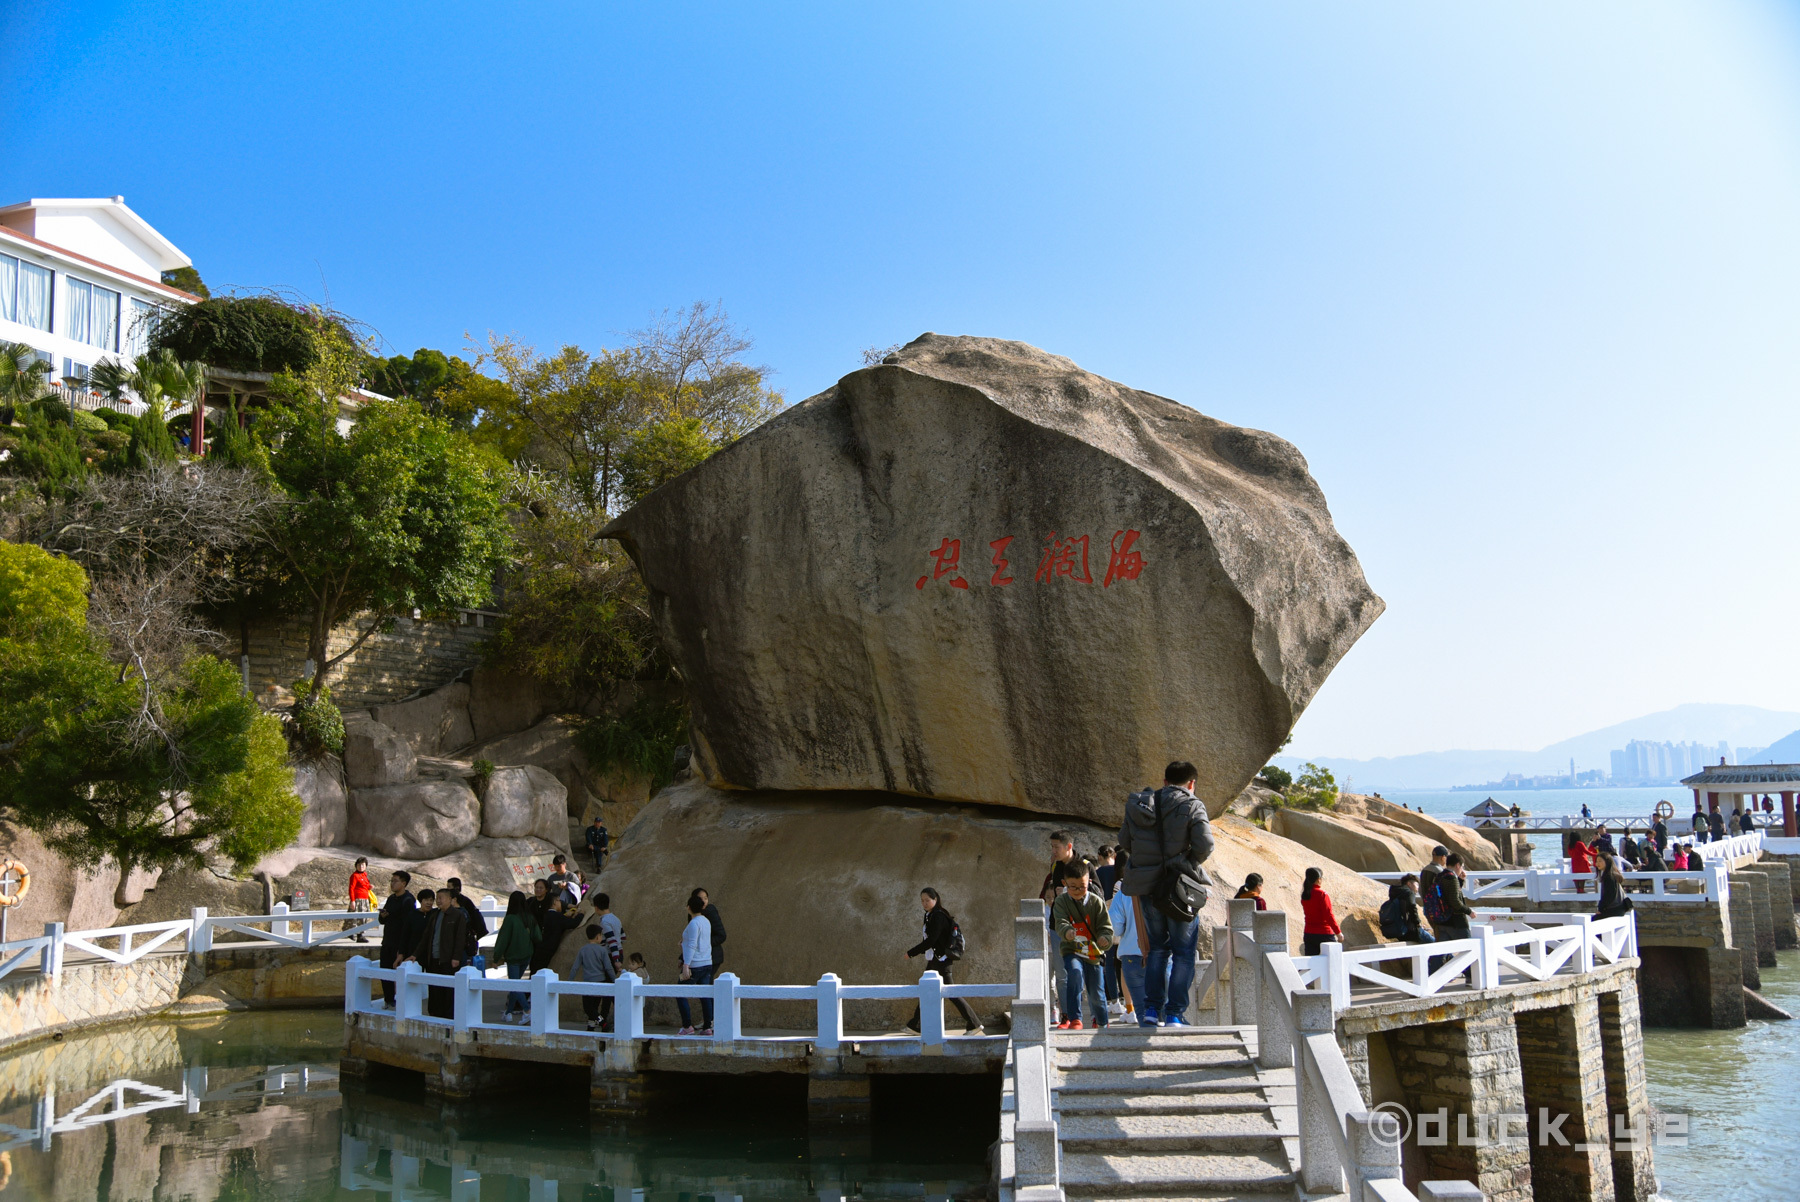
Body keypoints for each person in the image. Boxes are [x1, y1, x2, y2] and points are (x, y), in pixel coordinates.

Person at [1117, 761, 1215, 1029]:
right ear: (1191, 784)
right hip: (1179, 888)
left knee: (1157, 949)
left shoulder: (1139, 803)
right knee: (1183, 952)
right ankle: (1174, 1014)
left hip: (1148, 887)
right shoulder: (1193, 804)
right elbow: (1205, 845)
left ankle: (1150, 1011)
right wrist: (1186, 861)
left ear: (1164, 781)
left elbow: (1124, 841)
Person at [903, 887, 983, 1035]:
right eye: (922, 900)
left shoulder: (938, 916)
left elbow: (932, 940)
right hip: (934, 959)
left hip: (942, 960)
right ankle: (915, 1024)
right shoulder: (929, 915)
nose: (924, 903)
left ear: (935, 900)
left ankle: (974, 1023)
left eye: (927, 900)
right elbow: (928, 939)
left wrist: (911, 953)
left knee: (951, 992)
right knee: (926, 989)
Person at [1052, 863, 1114, 1030]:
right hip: (1072, 950)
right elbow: (1060, 922)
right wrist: (1067, 931)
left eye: (1082, 887)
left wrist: (1104, 938)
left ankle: (1101, 1021)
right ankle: (1075, 1018)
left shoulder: (1096, 902)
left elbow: (1106, 927)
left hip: (1093, 952)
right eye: (1073, 887)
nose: (1078, 891)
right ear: (1065, 884)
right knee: (1075, 974)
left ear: (1090, 883)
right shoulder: (1061, 902)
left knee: (1096, 993)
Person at [1039, 831, 1082, 1021]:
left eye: (1056, 846)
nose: (1053, 850)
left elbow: (1096, 892)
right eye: (1052, 847)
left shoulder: (1084, 866)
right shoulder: (1056, 867)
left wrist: (1068, 891)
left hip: (1081, 926)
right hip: (1058, 926)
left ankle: (1086, 1015)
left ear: (1068, 846)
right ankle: (1067, 1015)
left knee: (1082, 971)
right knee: (1062, 975)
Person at [407, 889, 470, 1018]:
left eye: (441, 898)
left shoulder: (457, 916)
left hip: (448, 960)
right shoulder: (435, 915)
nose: (438, 901)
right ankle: (435, 1014)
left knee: (448, 991)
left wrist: (456, 957)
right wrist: (415, 954)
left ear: (449, 899)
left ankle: (448, 1016)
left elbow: (460, 939)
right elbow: (426, 937)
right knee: (434, 989)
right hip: (434, 958)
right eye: (437, 898)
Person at [492, 890, 541, 1024]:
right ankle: (508, 1012)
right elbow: (538, 937)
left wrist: (496, 958)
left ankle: (527, 1010)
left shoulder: (510, 919)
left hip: (513, 957)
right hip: (527, 955)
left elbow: (502, 940)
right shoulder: (529, 918)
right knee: (516, 983)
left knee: (514, 984)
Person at [376, 870, 418, 1008]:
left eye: (395, 881)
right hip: (387, 941)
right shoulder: (391, 899)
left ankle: (402, 1003)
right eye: (391, 881)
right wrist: (383, 916)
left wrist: (402, 949)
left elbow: (407, 925)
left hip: (399, 943)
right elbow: (382, 921)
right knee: (385, 971)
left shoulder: (408, 900)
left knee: (399, 973)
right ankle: (388, 1000)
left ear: (404, 883)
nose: (392, 884)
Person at [677, 894, 714, 1036]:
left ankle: (687, 1026)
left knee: (680, 993)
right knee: (705, 995)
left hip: (695, 964)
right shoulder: (706, 921)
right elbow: (700, 942)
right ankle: (707, 1027)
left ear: (689, 907)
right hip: (707, 963)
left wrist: (686, 965)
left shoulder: (694, 923)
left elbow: (692, 945)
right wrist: (683, 944)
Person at [1107, 879, 1144, 1022]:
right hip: (1159, 954)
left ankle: (1130, 1010)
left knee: (1142, 1012)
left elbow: (1116, 927)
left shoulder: (1123, 892)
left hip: (1131, 950)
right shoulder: (1161, 886)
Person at [573, 923, 619, 1031]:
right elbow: (608, 968)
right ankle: (598, 1024)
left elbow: (575, 967)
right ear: (598, 936)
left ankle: (597, 1024)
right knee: (594, 1006)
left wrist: (568, 981)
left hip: (588, 982)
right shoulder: (602, 950)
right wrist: (614, 980)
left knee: (589, 1007)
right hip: (601, 982)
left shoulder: (583, 950)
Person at [446, 877, 489, 964]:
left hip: (465, 940)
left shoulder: (464, 903)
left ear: (456, 888)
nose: (447, 889)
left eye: (449, 887)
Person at [532, 896, 579, 973]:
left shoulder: (547, 914)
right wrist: (581, 914)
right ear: (554, 902)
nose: (560, 903)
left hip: (539, 949)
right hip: (548, 951)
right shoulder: (556, 916)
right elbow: (573, 923)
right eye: (559, 901)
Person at [1300, 868, 1341, 956]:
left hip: (1309, 933)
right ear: (1319, 879)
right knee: (1334, 961)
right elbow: (1328, 915)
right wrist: (1338, 932)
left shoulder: (1305, 894)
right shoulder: (1322, 894)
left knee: (1312, 965)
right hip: (1324, 933)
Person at [691, 888, 727, 971]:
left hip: (712, 957)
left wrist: (703, 943)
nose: (703, 901)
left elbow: (721, 935)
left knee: (704, 982)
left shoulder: (710, 913)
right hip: (698, 958)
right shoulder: (693, 914)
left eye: (706, 898)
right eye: (700, 899)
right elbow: (692, 939)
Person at [1596, 851, 1632, 920]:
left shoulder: (1609, 876)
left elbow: (1609, 895)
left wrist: (1601, 909)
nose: (1597, 864)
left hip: (1614, 909)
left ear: (1607, 861)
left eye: (1600, 861)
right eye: (1596, 861)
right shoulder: (1612, 874)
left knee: (1593, 922)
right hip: (1619, 908)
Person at [347, 857, 375, 943]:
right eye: (359, 865)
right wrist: (352, 900)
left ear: (366, 866)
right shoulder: (354, 875)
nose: (361, 867)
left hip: (365, 899)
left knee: (363, 918)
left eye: (363, 865)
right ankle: (358, 935)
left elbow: (364, 886)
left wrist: (369, 887)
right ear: (356, 866)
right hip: (358, 900)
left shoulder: (364, 875)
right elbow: (351, 888)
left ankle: (356, 934)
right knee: (357, 918)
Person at [593, 893, 624, 970]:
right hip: (619, 953)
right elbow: (623, 937)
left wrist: (616, 960)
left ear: (596, 908)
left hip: (611, 956)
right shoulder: (616, 919)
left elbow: (612, 941)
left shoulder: (604, 922)